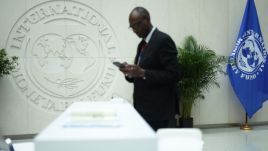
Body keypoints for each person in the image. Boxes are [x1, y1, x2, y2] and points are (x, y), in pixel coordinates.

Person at [119, 7, 180, 131]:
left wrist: (143, 73)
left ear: (146, 20)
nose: (134, 30)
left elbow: (174, 74)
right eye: (131, 27)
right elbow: (139, 75)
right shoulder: (142, 44)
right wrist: (130, 73)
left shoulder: (163, 40)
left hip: (159, 112)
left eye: (135, 25)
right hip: (143, 110)